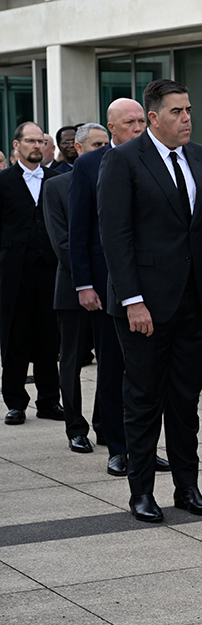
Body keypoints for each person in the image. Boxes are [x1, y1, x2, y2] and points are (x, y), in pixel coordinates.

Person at [98, 79, 202, 522]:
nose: (187, 118)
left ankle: (187, 487)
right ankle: (141, 492)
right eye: (177, 111)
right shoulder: (123, 160)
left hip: (194, 302)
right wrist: (133, 300)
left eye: (189, 109)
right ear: (153, 118)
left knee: (185, 400)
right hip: (145, 306)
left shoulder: (201, 158)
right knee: (143, 400)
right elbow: (116, 236)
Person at [68, 98, 161, 477]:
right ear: (111, 128)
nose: (138, 128)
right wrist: (84, 284)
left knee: (148, 373)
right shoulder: (90, 164)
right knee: (112, 368)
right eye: (129, 123)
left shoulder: (155, 159)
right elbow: (79, 229)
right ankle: (118, 446)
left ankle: (145, 447)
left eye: (142, 121)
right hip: (107, 284)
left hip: (152, 282)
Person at [43, 123, 108, 454]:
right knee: (71, 360)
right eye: (97, 145)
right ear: (79, 148)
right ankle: (75, 427)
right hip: (73, 288)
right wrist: (87, 279)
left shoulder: (114, 179)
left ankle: (105, 424)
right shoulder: (55, 186)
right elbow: (62, 242)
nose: (104, 150)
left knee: (110, 361)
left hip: (110, 288)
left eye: (106, 144)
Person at [0, 121, 63, 427]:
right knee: (14, 336)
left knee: (49, 337)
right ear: (17, 145)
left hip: (50, 270)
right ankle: (15, 402)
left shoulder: (56, 179)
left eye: (41, 141)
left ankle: (49, 400)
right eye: (30, 141)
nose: (37, 146)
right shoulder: (3, 181)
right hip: (13, 273)